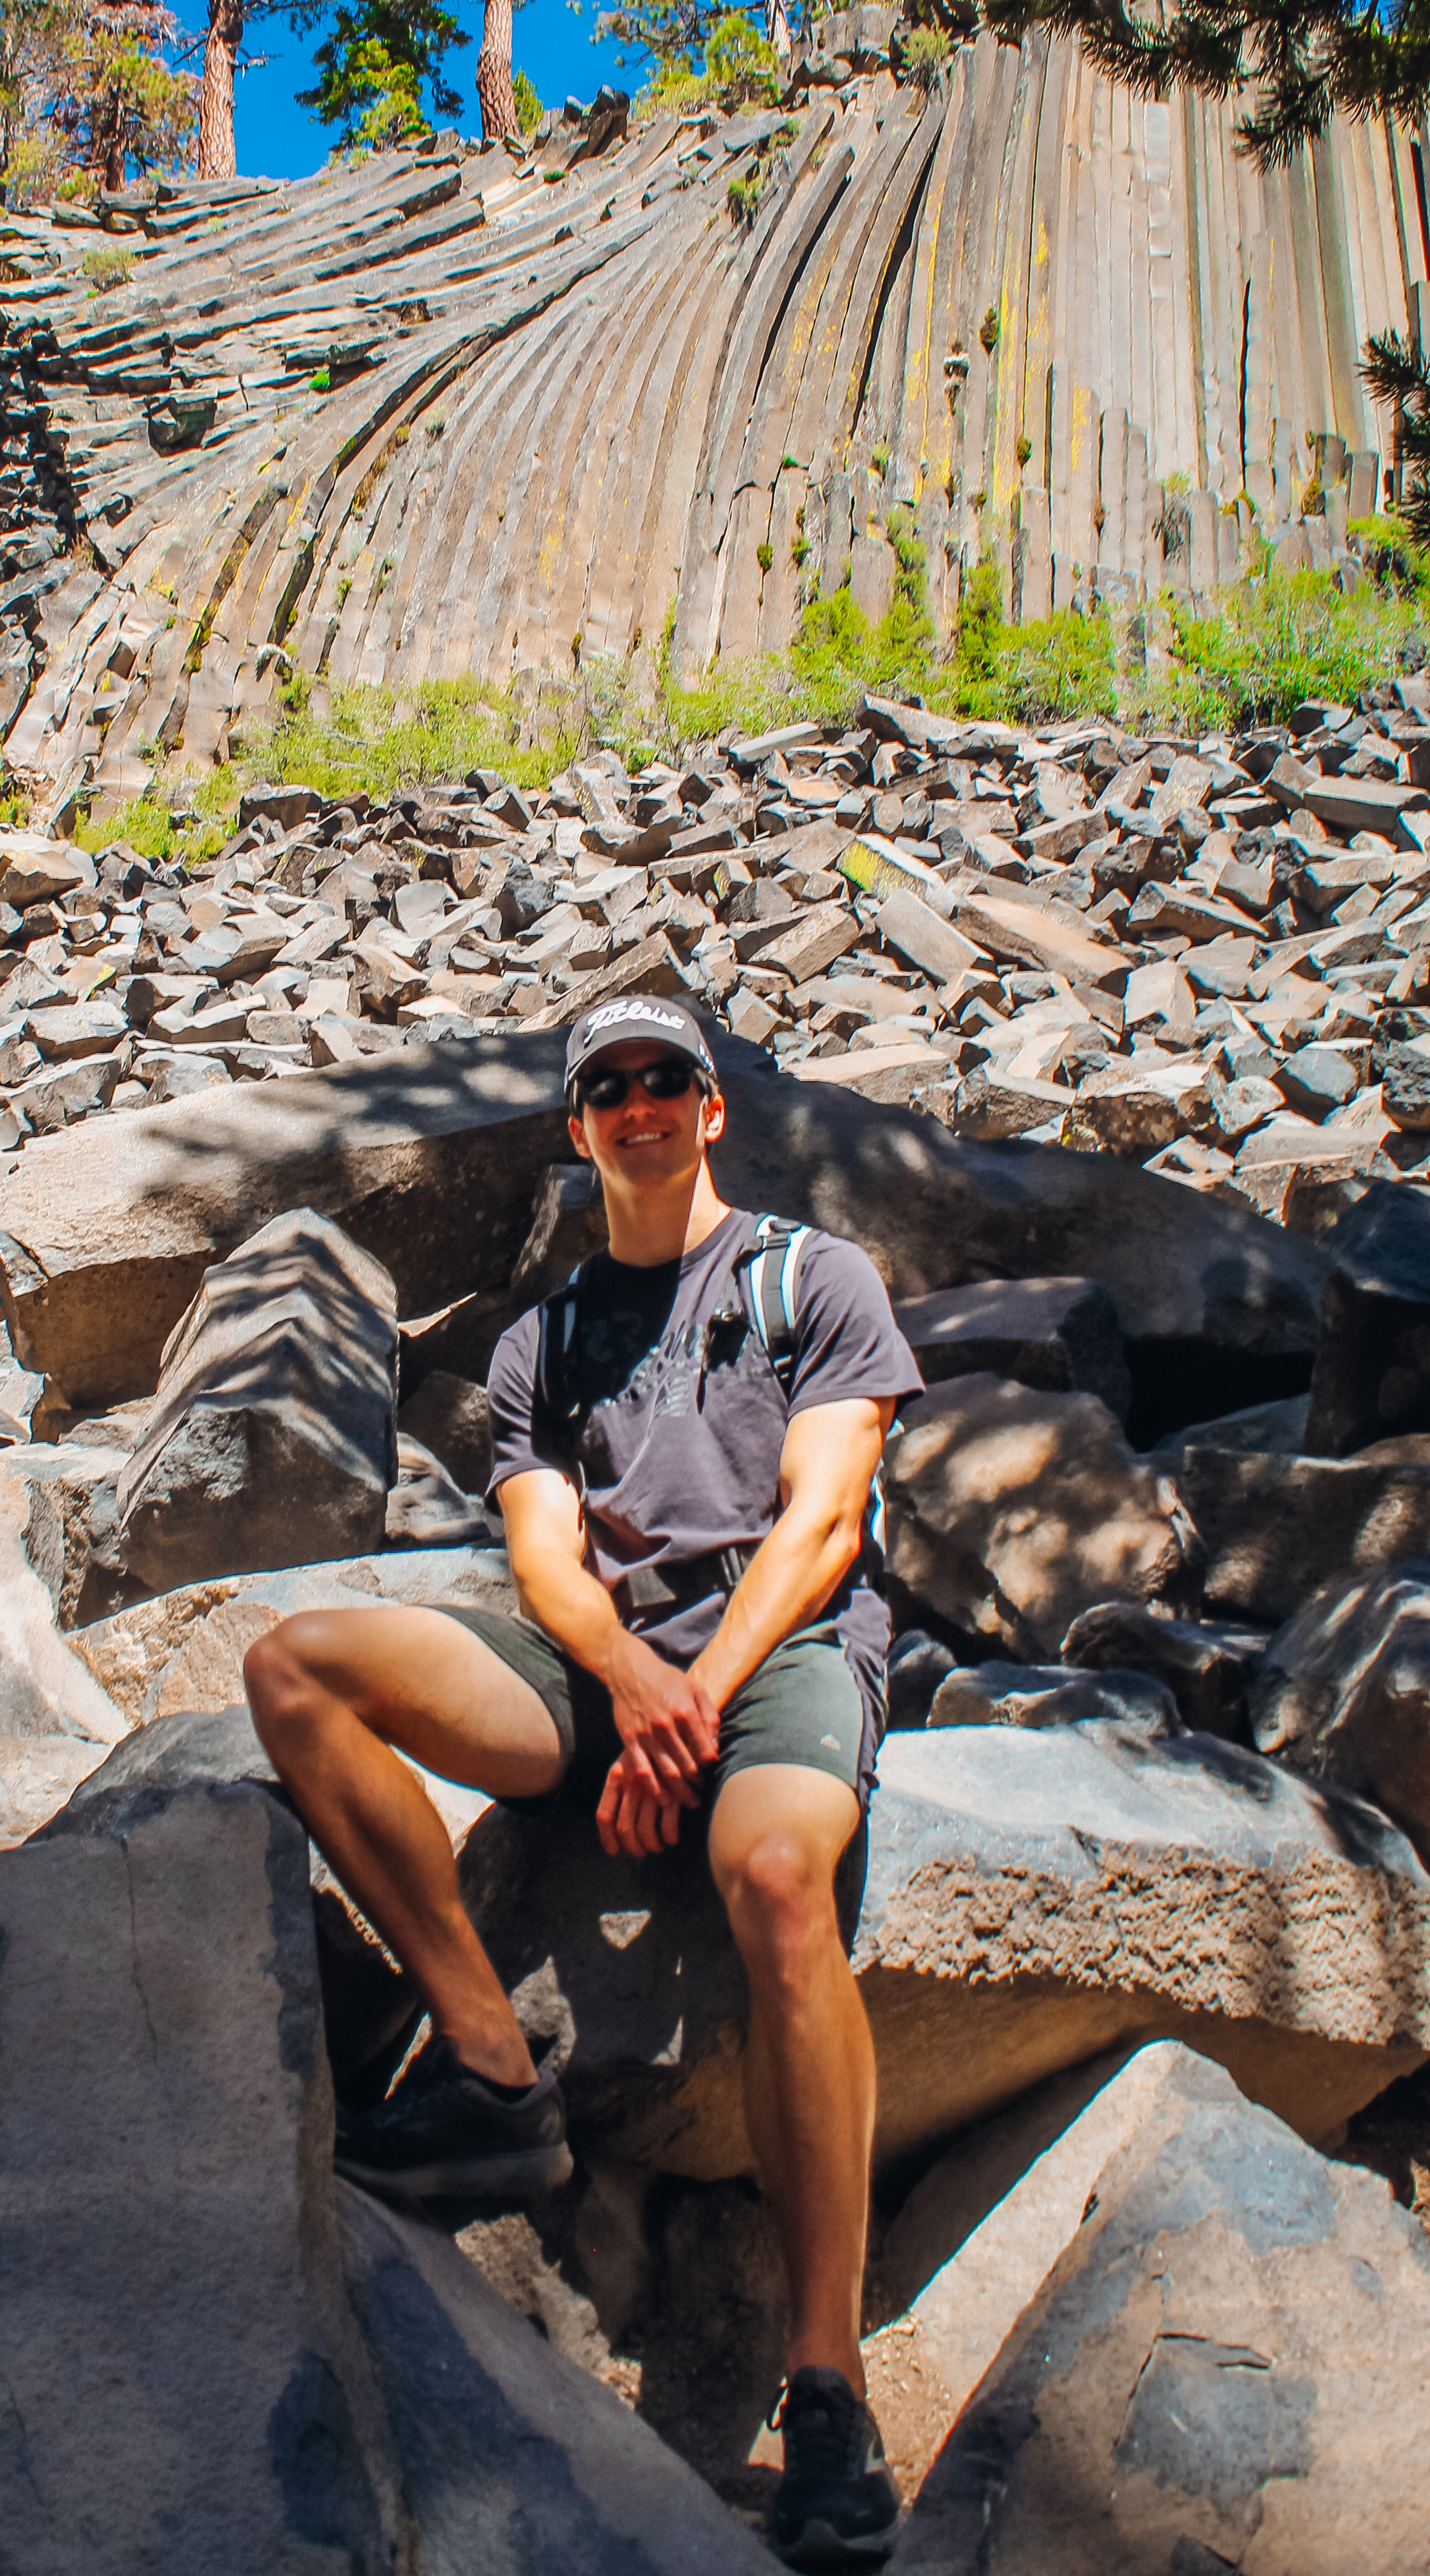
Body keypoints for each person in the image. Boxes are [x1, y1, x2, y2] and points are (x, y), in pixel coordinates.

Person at [244, 993, 922, 2569]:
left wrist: (699, 1700)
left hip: (785, 1650)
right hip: (616, 1669)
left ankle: (827, 2384)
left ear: (710, 1108)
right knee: (300, 1669)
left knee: (770, 1877)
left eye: (663, 1080)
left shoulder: (811, 1280)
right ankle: (495, 2076)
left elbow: (823, 1527)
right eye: (604, 1087)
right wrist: (634, 1685)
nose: (636, 1105)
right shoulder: (542, 1337)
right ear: (577, 1127)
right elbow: (547, 1562)